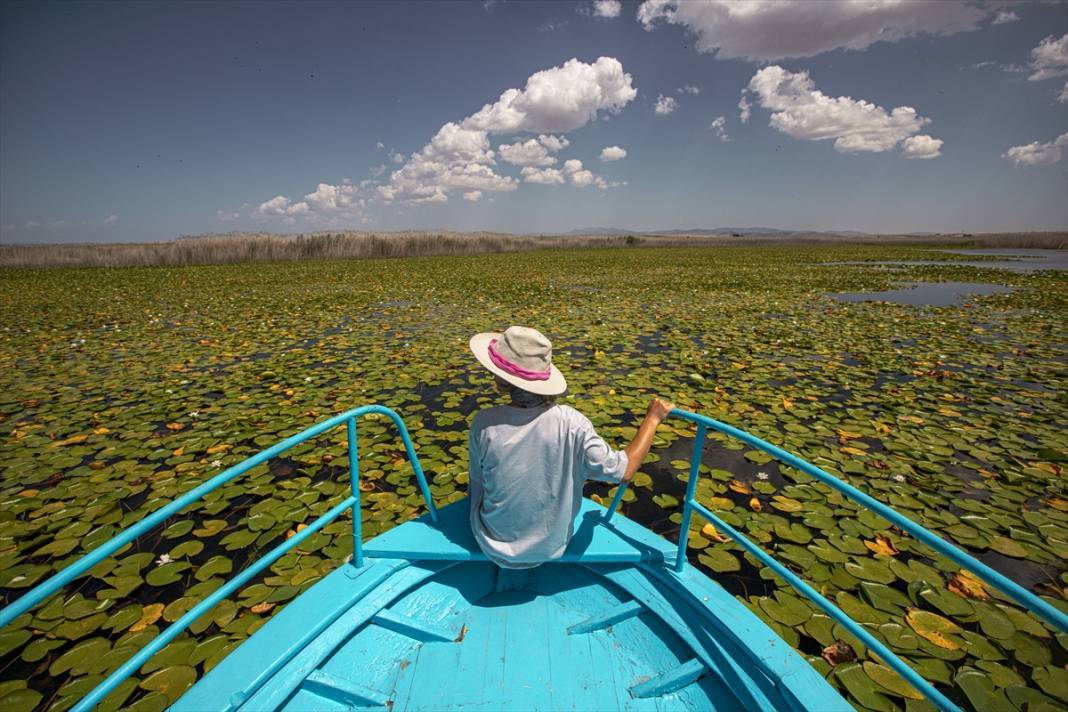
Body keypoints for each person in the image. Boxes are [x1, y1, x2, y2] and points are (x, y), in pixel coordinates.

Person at [467, 325, 674, 569]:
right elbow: (624, 471)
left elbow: (476, 487)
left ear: (501, 377)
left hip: (491, 542)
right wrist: (652, 419)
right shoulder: (572, 423)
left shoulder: (484, 423)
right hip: (552, 546)